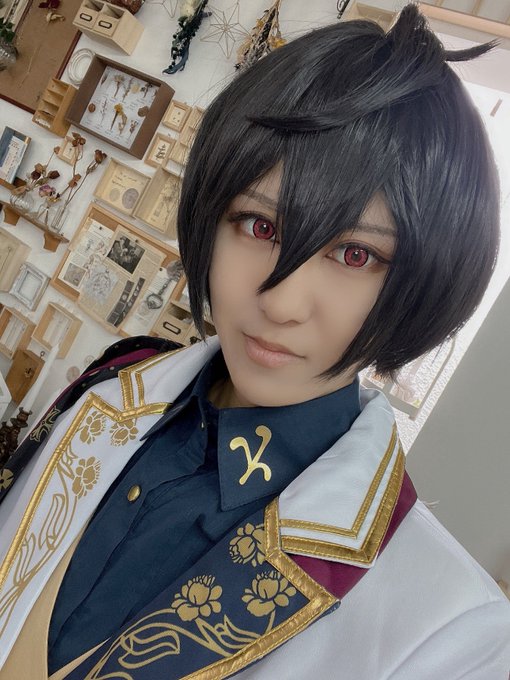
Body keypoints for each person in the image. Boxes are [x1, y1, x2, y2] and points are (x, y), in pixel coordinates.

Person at [0, 4, 509, 678]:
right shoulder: (109, 387)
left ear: (426, 280)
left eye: (355, 255)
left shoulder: (451, 629)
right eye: (260, 227)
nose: (280, 301)